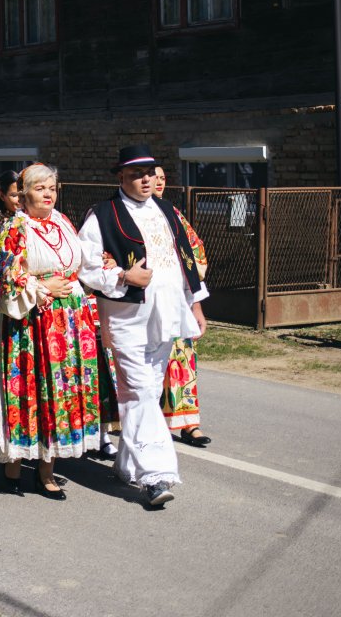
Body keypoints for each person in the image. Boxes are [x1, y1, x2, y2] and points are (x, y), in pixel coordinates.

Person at [78, 147, 209, 507]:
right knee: (140, 391)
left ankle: (124, 466)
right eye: (137, 174)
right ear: (120, 177)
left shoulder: (167, 210)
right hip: (127, 318)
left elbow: (186, 261)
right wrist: (123, 275)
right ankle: (156, 476)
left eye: (150, 172)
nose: (147, 179)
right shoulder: (102, 215)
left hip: (167, 313)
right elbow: (85, 267)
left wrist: (195, 304)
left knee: (147, 390)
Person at [0, 162, 102, 500]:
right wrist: (42, 286)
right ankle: (15, 461)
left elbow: (80, 261)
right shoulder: (17, 227)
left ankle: (47, 470)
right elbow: (3, 279)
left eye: (52, 188)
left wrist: (106, 265)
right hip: (31, 321)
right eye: (40, 188)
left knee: (60, 394)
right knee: (32, 390)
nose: (48, 194)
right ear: (24, 194)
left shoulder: (62, 222)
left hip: (68, 322)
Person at [154, 165, 212, 447]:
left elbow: (195, 254)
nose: (159, 182)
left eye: (164, 178)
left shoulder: (173, 214)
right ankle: (150, 425)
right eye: (155, 177)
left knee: (182, 361)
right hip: (146, 303)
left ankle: (189, 423)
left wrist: (196, 305)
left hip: (177, 299)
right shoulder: (123, 214)